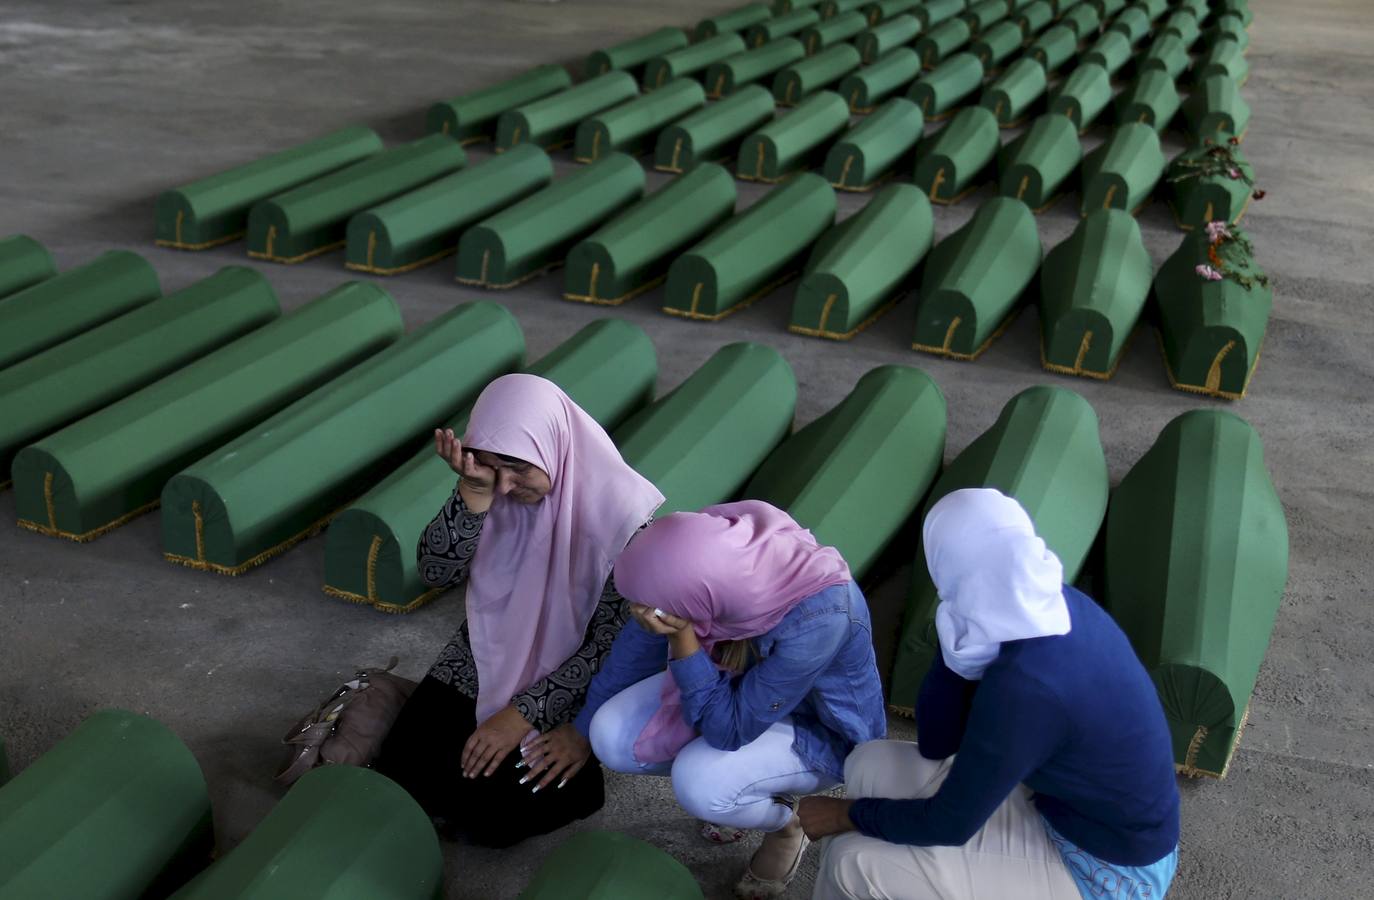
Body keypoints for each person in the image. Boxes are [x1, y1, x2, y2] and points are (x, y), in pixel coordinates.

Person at [800, 488, 1181, 900]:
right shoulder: (1038, 606)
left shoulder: (1027, 686)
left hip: (1106, 870)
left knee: (852, 861)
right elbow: (937, 742)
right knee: (868, 763)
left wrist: (842, 814)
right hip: (1061, 810)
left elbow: (949, 824)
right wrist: (957, 650)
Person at [539, 500, 886, 900]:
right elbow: (632, 652)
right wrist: (581, 730)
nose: (645, 614)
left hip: (815, 728)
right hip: (737, 689)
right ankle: (755, 787)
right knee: (609, 734)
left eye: (654, 610)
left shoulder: (820, 617)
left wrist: (684, 642)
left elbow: (728, 730)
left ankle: (787, 825)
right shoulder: (701, 553)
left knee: (702, 782)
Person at [373, 374, 663, 848]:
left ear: (554, 446)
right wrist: (471, 494)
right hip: (487, 651)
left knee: (496, 819)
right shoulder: (489, 490)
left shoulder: (626, 523)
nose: (505, 484)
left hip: (574, 680)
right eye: (489, 466)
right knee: (404, 773)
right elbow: (435, 571)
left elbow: (611, 647)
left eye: (517, 467)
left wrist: (522, 713)